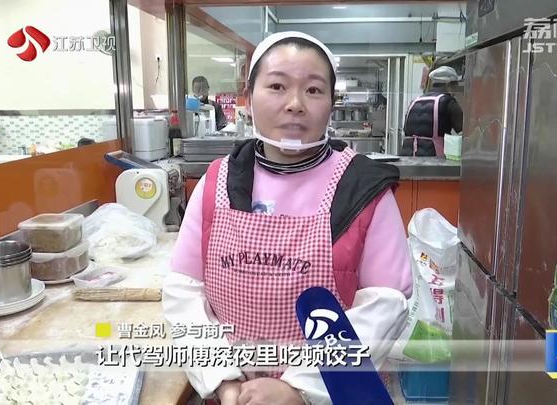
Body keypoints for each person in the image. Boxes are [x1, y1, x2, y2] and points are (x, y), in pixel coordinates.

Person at [163, 31, 412, 405]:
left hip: (330, 394)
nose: (295, 104)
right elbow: (183, 292)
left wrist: (299, 388)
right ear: (248, 97)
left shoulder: (363, 189)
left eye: (313, 90)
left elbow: (385, 307)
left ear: (331, 102)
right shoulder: (218, 182)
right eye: (277, 86)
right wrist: (224, 381)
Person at [401, 66, 464, 157]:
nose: (455, 90)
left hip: (407, 156)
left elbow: (406, 129)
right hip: (433, 157)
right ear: (449, 84)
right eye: (455, 86)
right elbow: (464, 132)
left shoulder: (415, 101)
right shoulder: (448, 102)